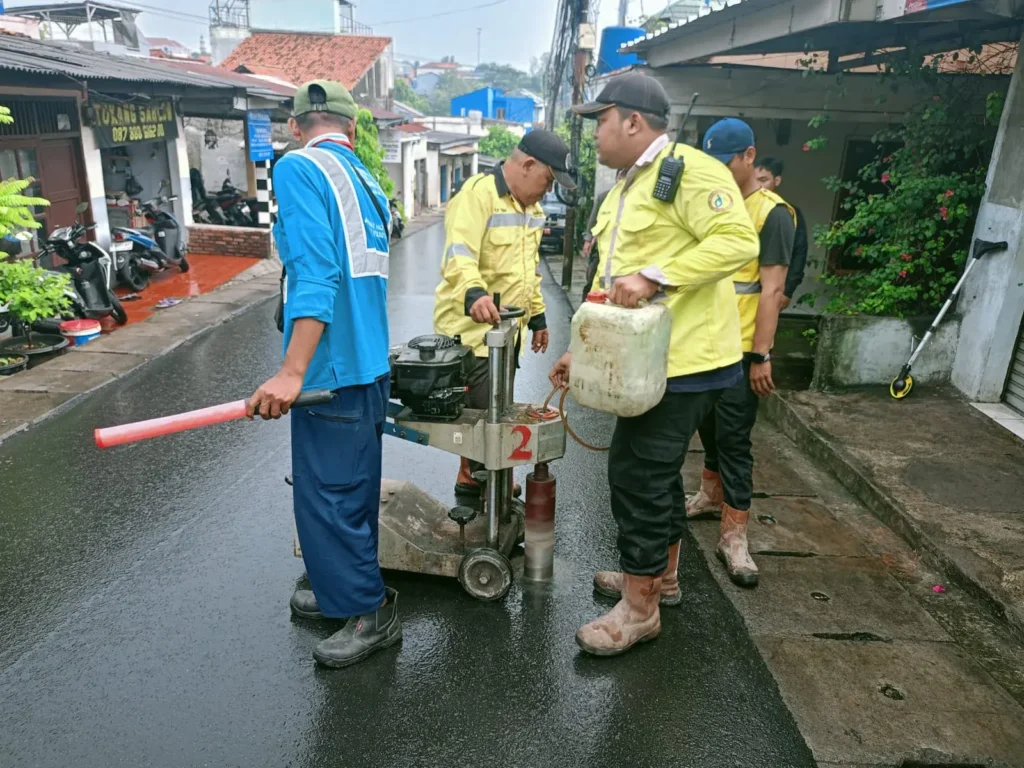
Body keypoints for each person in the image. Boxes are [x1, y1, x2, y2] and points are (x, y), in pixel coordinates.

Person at [548, 73, 760, 656]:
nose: (594, 133)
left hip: (686, 362)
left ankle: (638, 610)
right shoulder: (624, 188)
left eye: (601, 119)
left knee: (638, 476)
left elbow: (738, 242)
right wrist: (578, 346)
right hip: (644, 360)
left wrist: (654, 277)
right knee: (657, 475)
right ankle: (658, 578)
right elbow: (605, 277)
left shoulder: (691, 171)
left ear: (633, 121)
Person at [247, 80, 399, 669]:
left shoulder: (298, 167)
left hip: (330, 372)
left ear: (295, 126)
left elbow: (316, 273)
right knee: (352, 488)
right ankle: (339, 585)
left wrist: (291, 371)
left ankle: (369, 611)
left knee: (327, 498)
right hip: (367, 364)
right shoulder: (366, 180)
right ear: (352, 129)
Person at [434, 130, 576, 496]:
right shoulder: (478, 195)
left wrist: (539, 318)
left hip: (507, 337)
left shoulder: (533, 211)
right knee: (485, 420)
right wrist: (474, 291)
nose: (547, 191)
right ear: (528, 165)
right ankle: (485, 489)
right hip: (472, 337)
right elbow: (457, 252)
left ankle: (481, 480)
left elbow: (529, 272)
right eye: (547, 181)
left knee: (496, 413)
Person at [686, 120, 796, 588]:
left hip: (739, 353)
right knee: (706, 428)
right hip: (702, 346)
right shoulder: (714, 206)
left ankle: (735, 535)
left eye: (727, 163)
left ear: (749, 157)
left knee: (733, 440)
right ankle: (711, 496)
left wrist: (761, 356)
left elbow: (772, 291)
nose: (720, 173)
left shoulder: (772, 214)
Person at [755, 157, 807, 309]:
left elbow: (799, 251)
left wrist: (788, 290)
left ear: (776, 181)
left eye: (764, 180)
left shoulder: (786, 212)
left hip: (772, 286)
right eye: (755, 180)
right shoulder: (742, 207)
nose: (759, 185)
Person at [581, 188, 610, 300]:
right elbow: (593, 219)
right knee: (591, 280)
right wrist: (588, 240)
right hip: (600, 250)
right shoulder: (605, 196)